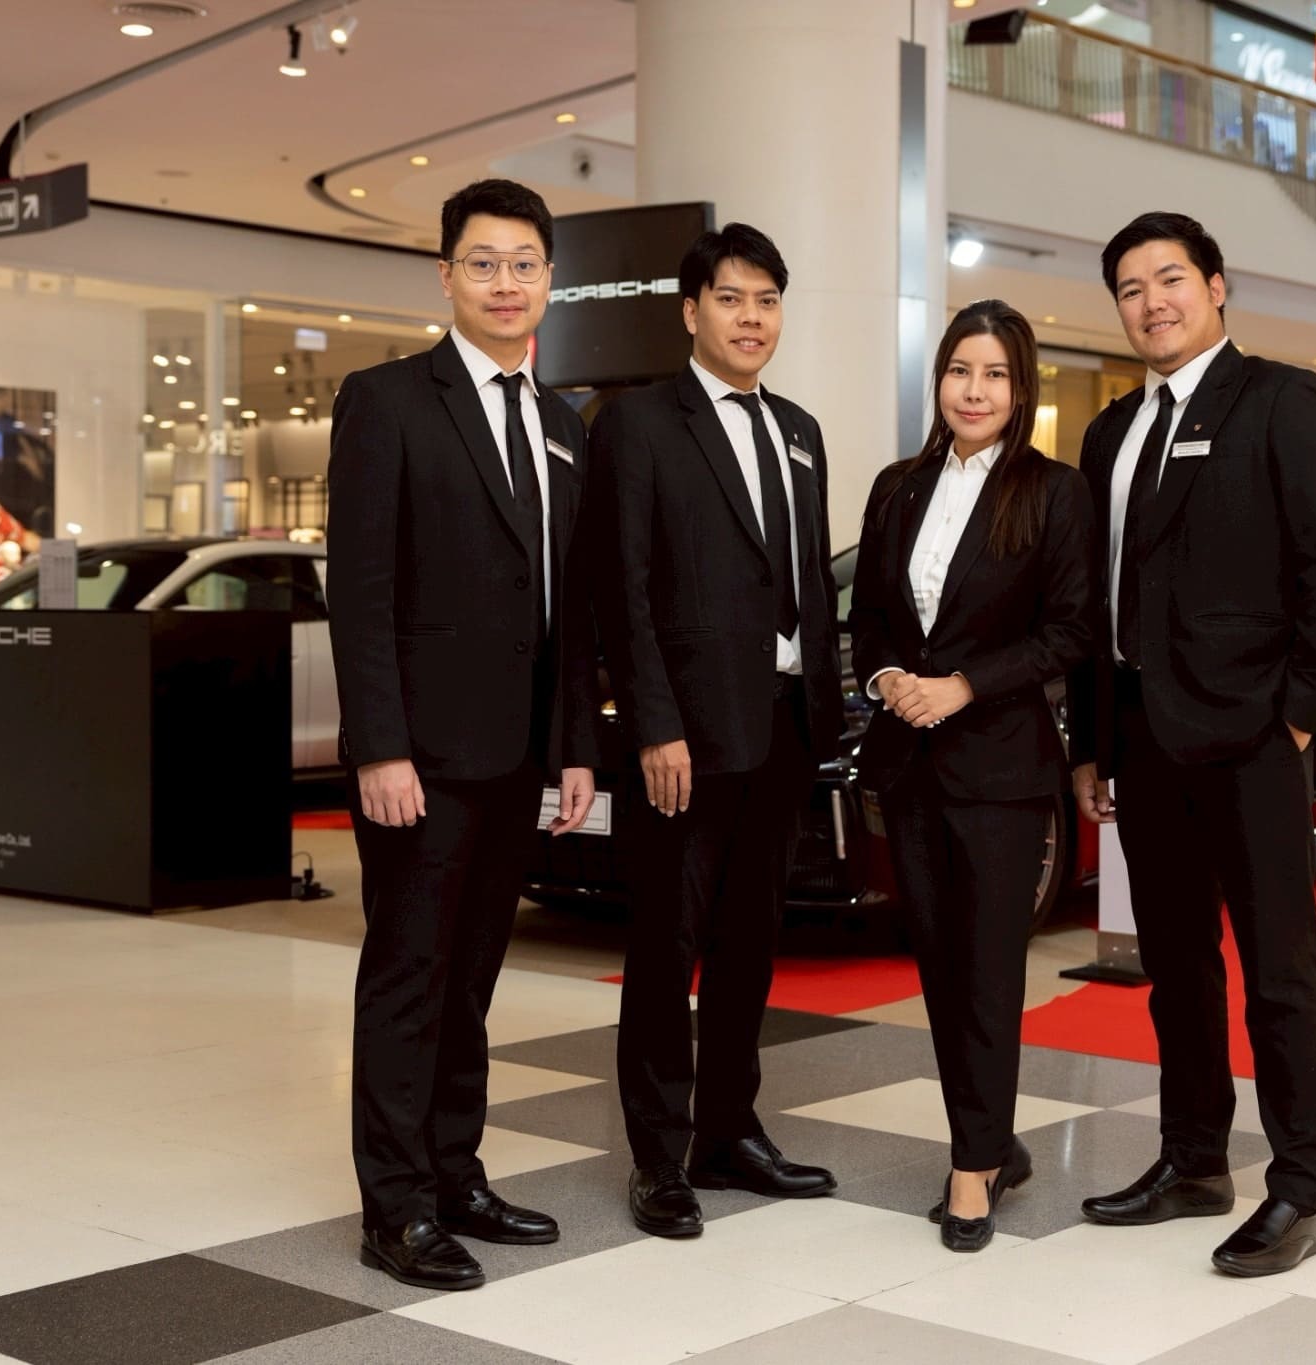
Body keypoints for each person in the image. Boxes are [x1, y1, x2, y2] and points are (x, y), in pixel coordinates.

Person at [1066, 211, 1316, 1277]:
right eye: (1130, 288)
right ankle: (1194, 1159)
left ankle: (1299, 1187)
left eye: (1170, 279)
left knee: (1278, 971)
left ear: (1215, 285)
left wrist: (1299, 712)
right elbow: (1094, 601)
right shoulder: (1109, 433)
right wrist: (1091, 739)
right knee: (1176, 968)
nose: (1151, 302)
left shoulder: (1280, 400)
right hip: (1141, 740)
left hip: (1251, 738)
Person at [327, 178, 600, 1291]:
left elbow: (569, 607)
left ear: (549, 280)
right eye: (483, 263)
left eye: (524, 264)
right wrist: (378, 746)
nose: (504, 282)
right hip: (420, 759)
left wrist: (574, 745)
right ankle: (394, 1207)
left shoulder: (564, 423)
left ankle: (454, 1174)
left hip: (518, 753)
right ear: (445, 276)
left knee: (473, 978)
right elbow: (361, 590)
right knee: (408, 978)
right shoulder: (387, 399)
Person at [586, 223, 845, 1239]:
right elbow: (622, 586)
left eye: (767, 300)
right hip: (685, 738)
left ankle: (729, 1131)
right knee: (667, 946)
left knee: (750, 944)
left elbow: (807, 581)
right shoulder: (639, 423)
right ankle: (659, 1157)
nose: (751, 318)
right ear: (691, 310)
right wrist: (654, 723)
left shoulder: (800, 430)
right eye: (731, 299)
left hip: (783, 725)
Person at [848, 299, 1094, 1252]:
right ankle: (989, 1139)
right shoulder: (897, 486)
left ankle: (971, 1170)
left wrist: (962, 686)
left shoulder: (1054, 492)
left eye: (995, 374)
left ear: (1020, 388)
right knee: (942, 971)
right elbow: (870, 615)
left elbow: (1070, 631)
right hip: (909, 764)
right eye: (960, 371)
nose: (975, 390)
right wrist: (887, 679)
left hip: (1001, 768)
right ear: (939, 380)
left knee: (989, 969)